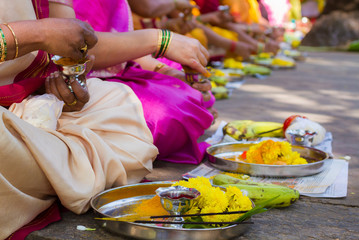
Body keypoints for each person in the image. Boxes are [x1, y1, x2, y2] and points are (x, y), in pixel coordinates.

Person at [0, 0, 210, 238]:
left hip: (31, 95)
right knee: (159, 114)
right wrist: (36, 33)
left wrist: (69, 83)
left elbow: (71, 46)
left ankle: (53, 169)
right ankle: (58, 172)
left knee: (136, 104)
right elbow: (147, 9)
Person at [50, 0, 216, 165]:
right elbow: (72, 45)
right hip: (77, 76)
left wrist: (165, 71)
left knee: (190, 90)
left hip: (119, 62)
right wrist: (161, 40)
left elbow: (122, 38)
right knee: (166, 115)